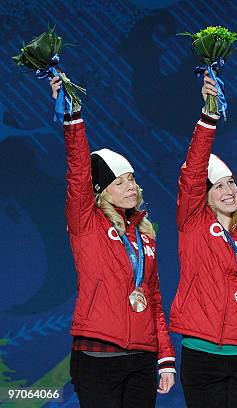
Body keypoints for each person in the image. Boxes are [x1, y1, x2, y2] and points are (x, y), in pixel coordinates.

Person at [50, 77, 175, 408]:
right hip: (98, 352)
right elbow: (78, 174)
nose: (130, 186)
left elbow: (153, 299)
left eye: (132, 179)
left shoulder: (144, 234)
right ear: (101, 192)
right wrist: (73, 117)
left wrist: (165, 356)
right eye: (119, 182)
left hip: (143, 356)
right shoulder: (86, 222)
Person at [169, 73, 237, 408]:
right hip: (201, 353)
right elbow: (191, 173)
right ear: (204, 195)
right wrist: (209, 116)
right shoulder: (192, 223)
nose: (229, 191)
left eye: (231, 183)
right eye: (218, 186)